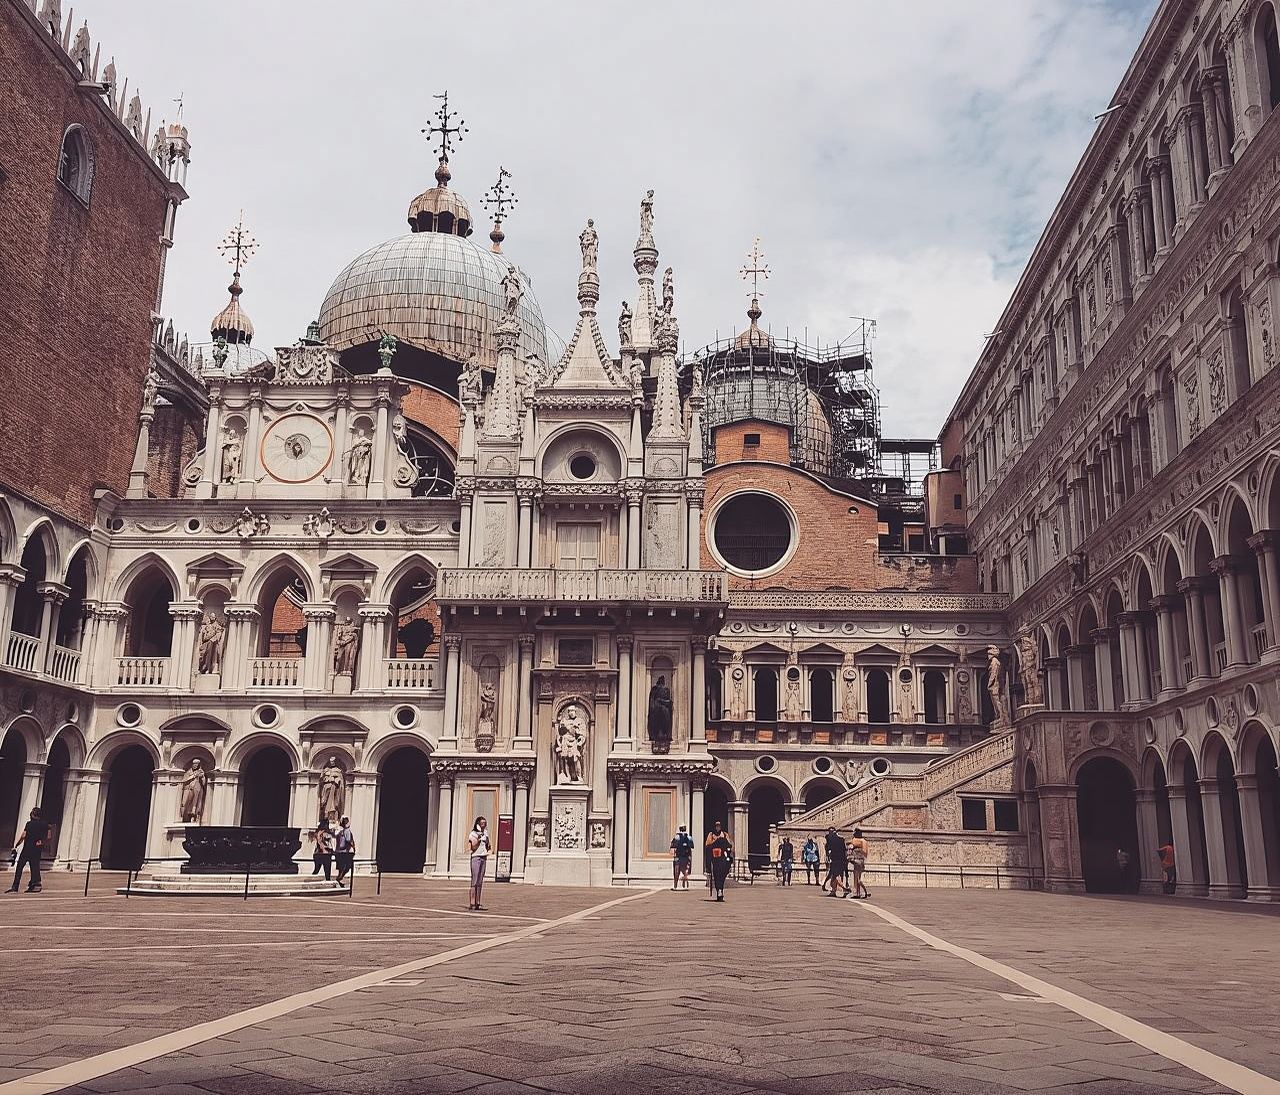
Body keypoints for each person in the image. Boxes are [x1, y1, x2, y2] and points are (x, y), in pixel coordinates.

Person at [7, 808, 50, 894]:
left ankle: (15, 886)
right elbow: (49, 836)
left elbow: (23, 836)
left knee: (19, 867)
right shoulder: (45, 824)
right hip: (37, 849)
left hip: (27, 849)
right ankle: (35, 885)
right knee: (35, 866)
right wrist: (42, 841)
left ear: (33, 815)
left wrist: (16, 845)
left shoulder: (29, 824)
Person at [467, 816, 491, 911]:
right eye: (482, 823)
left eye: (485, 823)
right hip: (476, 857)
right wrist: (479, 838)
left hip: (483, 856)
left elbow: (488, 846)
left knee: (480, 881)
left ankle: (478, 902)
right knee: (474, 880)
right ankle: (472, 902)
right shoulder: (473, 834)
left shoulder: (485, 833)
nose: (483, 825)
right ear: (477, 824)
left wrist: (487, 843)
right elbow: (473, 847)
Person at [705, 821, 732, 902]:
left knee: (723, 874)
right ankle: (719, 891)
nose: (717, 828)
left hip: (723, 859)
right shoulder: (711, 835)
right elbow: (708, 846)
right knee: (717, 875)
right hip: (715, 859)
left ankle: (721, 889)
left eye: (719, 826)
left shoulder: (725, 834)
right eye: (716, 826)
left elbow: (729, 845)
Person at [824, 827, 850, 898]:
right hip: (842, 859)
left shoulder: (830, 839)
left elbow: (828, 849)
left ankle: (845, 889)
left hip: (835, 860)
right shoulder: (841, 839)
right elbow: (844, 850)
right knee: (837, 875)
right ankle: (834, 890)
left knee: (835, 875)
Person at [670, 825, 694, 890]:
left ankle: (675, 885)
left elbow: (673, 846)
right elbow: (692, 846)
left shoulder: (677, 837)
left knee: (676, 871)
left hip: (678, 856)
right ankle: (685, 885)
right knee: (685, 871)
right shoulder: (689, 837)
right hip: (686, 857)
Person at [849, 827, 871, 899]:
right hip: (859, 860)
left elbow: (864, 852)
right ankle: (857, 892)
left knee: (857, 878)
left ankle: (864, 891)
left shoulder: (861, 841)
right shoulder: (862, 841)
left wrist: (856, 848)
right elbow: (865, 853)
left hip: (858, 860)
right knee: (856, 877)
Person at [335, 816, 356, 884]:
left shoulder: (340, 831)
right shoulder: (347, 831)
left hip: (339, 851)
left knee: (342, 867)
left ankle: (339, 878)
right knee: (347, 866)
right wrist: (353, 846)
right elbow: (348, 840)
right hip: (346, 852)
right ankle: (339, 878)